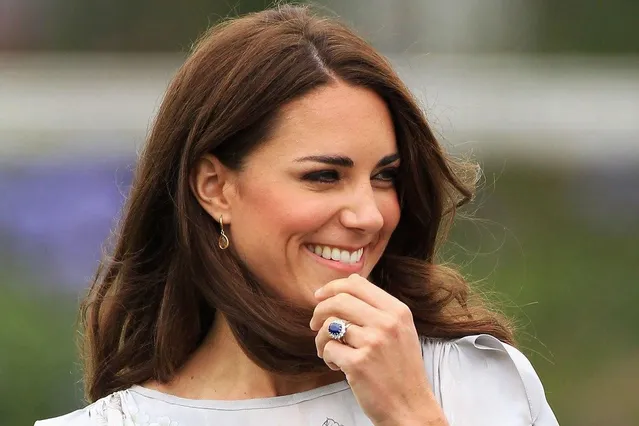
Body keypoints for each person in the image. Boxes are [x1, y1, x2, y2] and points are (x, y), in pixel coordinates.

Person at [35, 4, 559, 426]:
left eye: (384, 176)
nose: (369, 215)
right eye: (324, 176)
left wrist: (409, 415)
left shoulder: (477, 382)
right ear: (214, 188)